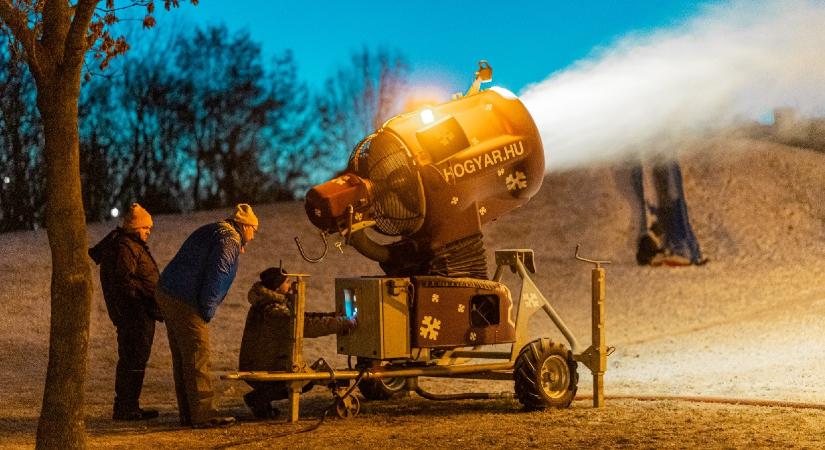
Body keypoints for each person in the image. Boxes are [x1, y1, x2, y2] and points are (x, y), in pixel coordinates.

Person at [155, 203, 259, 428]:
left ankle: (188, 414)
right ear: (245, 225)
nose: (254, 235)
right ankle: (204, 415)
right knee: (197, 354)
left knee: (183, 356)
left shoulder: (214, 229)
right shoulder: (229, 240)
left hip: (168, 291)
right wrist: (208, 308)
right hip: (186, 299)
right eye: (254, 229)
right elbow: (218, 274)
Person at [238, 266, 357, 419]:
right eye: (287, 282)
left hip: (259, 361)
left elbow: (302, 317)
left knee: (304, 376)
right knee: (305, 380)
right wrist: (342, 323)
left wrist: (332, 316)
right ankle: (258, 399)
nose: (291, 284)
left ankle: (260, 401)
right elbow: (304, 326)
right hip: (262, 366)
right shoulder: (273, 311)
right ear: (277, 286)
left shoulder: (267, 304)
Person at [89, 203, 163, 421]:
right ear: (135, 226)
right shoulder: (125, 246)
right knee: (133, 359)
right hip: (135, 314)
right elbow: (124, 280)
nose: (149, 231)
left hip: (139, 313)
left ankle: (130, 405)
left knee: (136, 359)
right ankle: (125, 407)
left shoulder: (131, 245)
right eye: (146, 227)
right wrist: (144, 297)